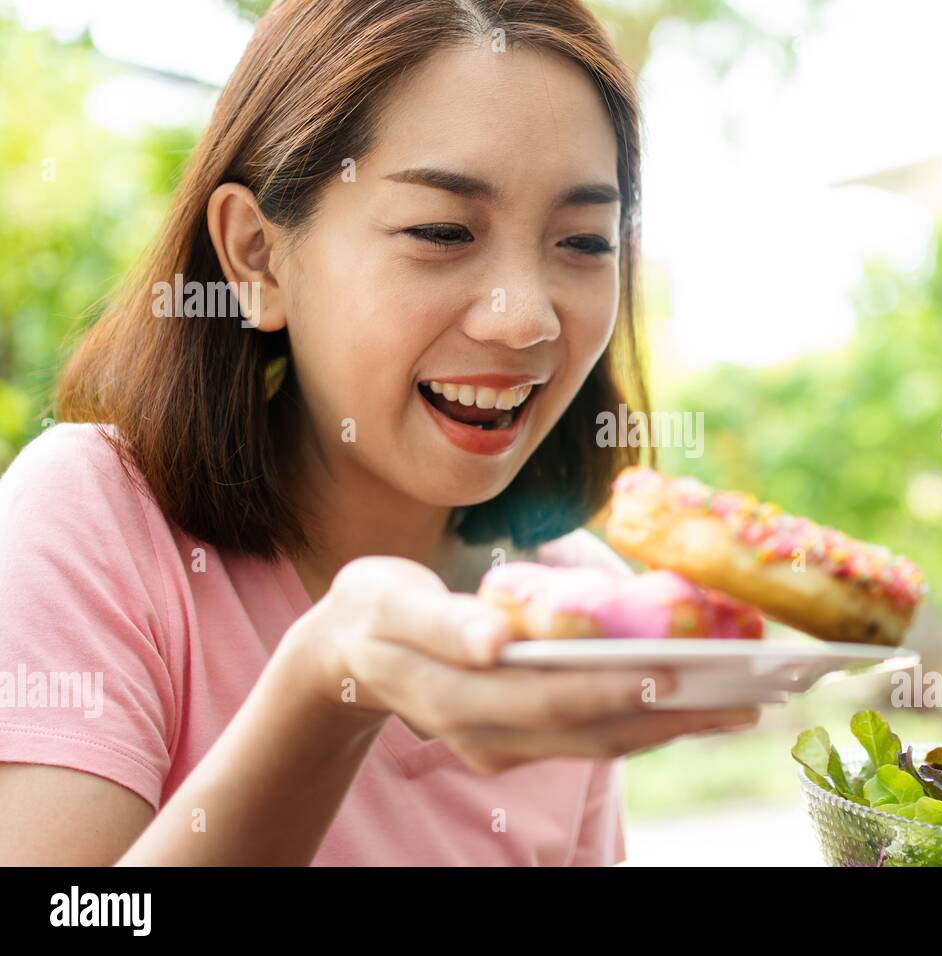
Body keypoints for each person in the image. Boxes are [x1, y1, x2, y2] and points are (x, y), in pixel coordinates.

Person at [0, 0, 758, 866]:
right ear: (254, 255)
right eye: (441, 231)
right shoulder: (94, 520)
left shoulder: (570, 608)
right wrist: (327, 687)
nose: (525, 319)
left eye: (583, 241)